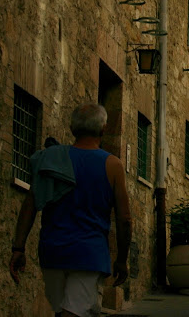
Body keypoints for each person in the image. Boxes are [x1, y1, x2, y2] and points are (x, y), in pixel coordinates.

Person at [9, 103, 132, 316]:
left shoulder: (53, 159)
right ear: (103, 129)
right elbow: (124, 219)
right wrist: (122, 259)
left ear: (73, 130)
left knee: (62, 311)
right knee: (74, 312)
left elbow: (30, 205)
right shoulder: (112, 165)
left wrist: (18, 248)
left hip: (53, 251)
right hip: (89, 254)